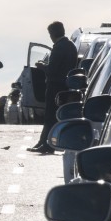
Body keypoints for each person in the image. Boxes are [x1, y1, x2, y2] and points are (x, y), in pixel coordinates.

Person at [28, 21, 78, 154]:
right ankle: (43, 141)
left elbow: (53, 69)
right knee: (56, 115)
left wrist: (41, 66)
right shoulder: (71, 46)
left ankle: (48, 144)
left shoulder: (59, 47)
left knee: (50, 116)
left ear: (53, 33)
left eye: (50, 33)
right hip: (66, 86)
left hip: (55, 85)